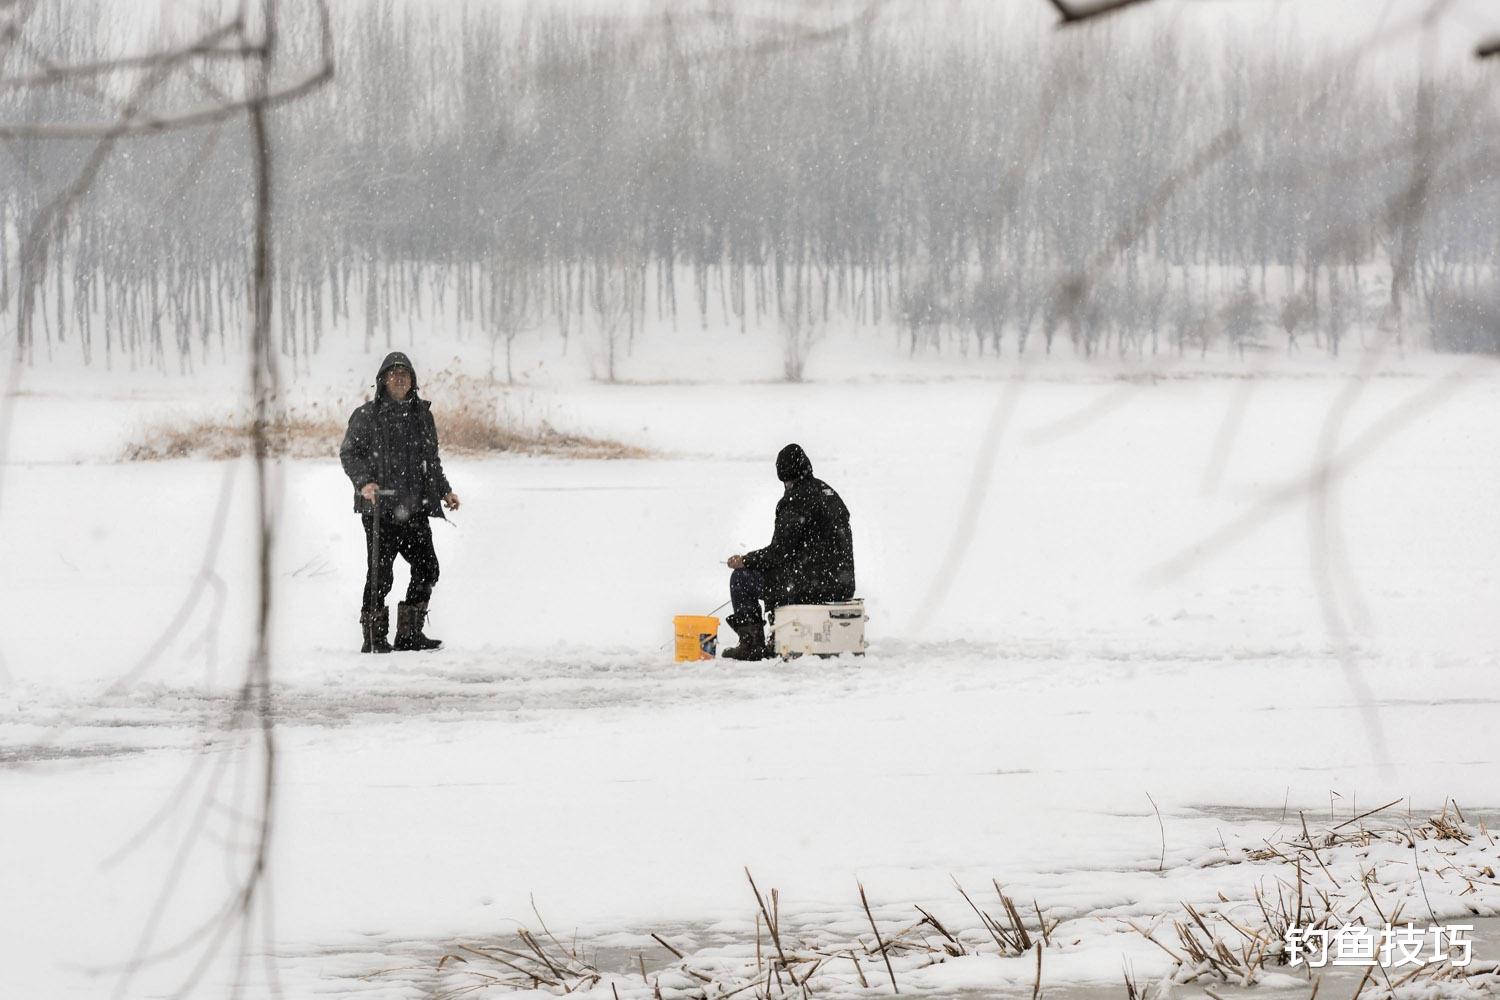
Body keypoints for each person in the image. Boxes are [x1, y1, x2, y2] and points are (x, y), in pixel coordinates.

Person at [340, 352, 460, 653]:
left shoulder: (422, 415)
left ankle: (409, 635)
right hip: (380, 509)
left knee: (428, 568)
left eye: (404, 373)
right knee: (380, 576)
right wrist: (365, 482)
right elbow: (350, 454)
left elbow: (430, 460)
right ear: (382, 379)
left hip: (415, 506)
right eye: (393, 373)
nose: (399, 378)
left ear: (413, 381)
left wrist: (445, 490)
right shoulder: (366, 415)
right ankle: (374, 639)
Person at [723, 443, 855, 660]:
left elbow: (779, 553)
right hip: (841, 584)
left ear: (785, 476)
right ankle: (779, 635)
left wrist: (746, 560)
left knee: (742, 579)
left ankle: (751, 645)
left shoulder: (795, 500)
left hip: (810, 585)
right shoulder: (830, 494)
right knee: (785, 574)